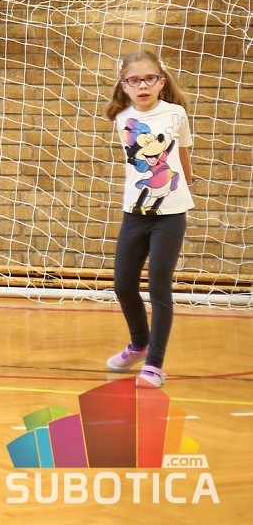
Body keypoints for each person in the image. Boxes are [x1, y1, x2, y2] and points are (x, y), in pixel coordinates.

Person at [104, 49, 194, 389]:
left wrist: (187, 183)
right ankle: (139, 344)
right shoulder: (122, 118)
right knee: (123, 285)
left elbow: (183, 152)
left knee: (159, 286)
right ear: (124, 85)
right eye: (135, 80)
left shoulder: (176, 114)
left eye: (149, 79)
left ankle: (155, 364)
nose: (143, 85)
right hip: (135, 212)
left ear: (161, 82)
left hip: (170, 214)